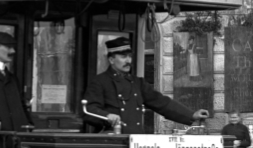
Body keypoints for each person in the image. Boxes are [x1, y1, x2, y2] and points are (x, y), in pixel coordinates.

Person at [82, 36, 210, 133]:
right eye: (123, 57)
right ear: (111, 60)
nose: (128, 61)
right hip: (112, 144)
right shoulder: (100, 82)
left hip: (137, 144)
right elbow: (88, 111)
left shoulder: (137, 82)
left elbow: (161, 102)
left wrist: (191, 114)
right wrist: (106, 116)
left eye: (129, 57)